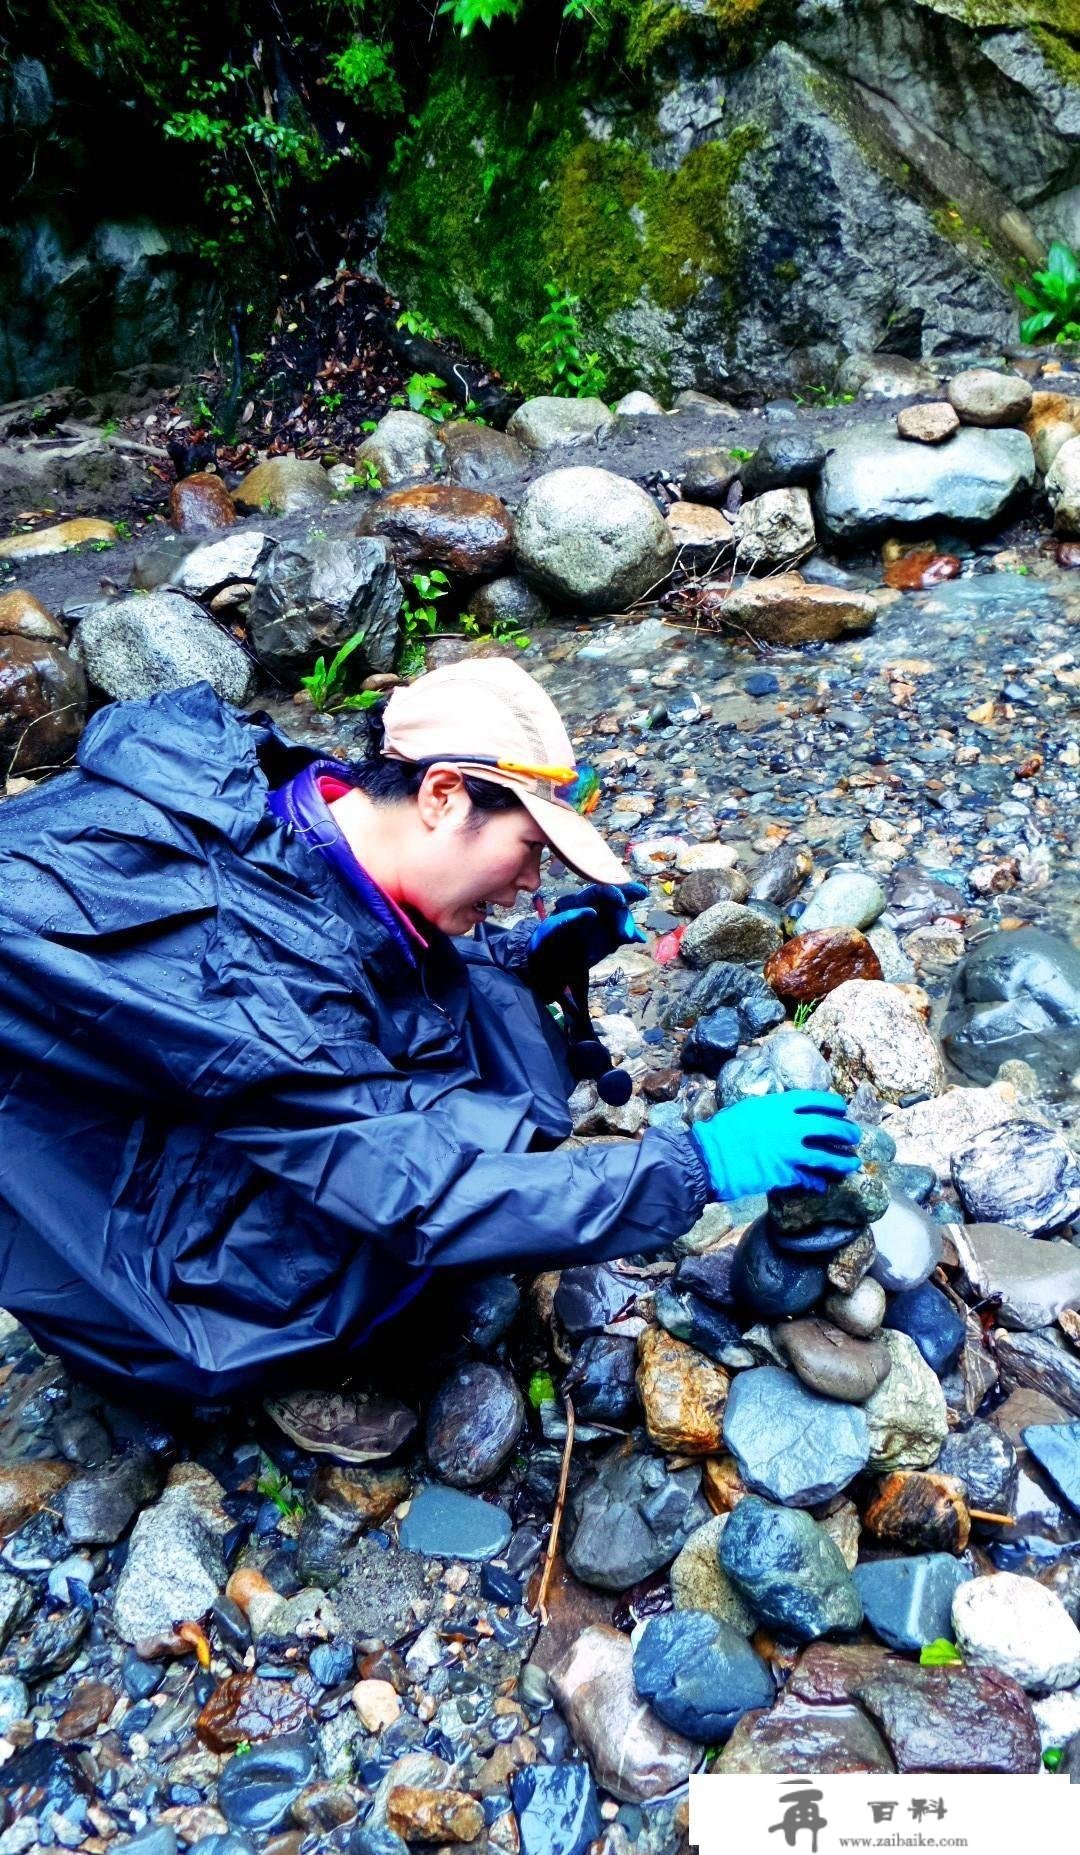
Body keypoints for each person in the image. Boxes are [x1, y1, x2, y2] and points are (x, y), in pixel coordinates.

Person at [0, 657, 860, 1404]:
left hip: (166, 1110)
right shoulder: (247, 975)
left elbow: (353, 948)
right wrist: (694, 1164)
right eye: (527, 849)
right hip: (142, 1274)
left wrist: (525, 959)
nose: (530, 882)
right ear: (442, 793)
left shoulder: (306, 808)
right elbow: (425, 1198)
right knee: (419, 1235)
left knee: (482, 1004)